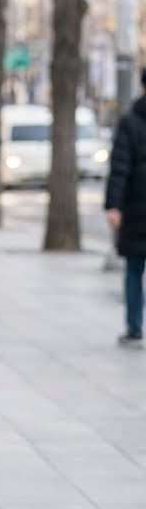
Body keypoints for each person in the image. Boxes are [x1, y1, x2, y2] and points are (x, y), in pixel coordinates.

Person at [105, 65, 146, 347]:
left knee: (133, 268)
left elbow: (119, 167)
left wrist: (114, 205)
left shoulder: (131, 121)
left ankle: (134, 327)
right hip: (135, 207)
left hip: (135, 206)